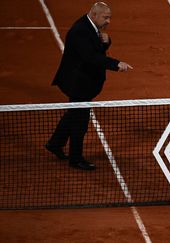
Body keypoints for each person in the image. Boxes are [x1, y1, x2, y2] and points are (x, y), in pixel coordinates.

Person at [45, 2, 133, 170]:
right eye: (105, 17)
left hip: (83, 82)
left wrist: (107, 42)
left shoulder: (90, 26)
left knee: (74, 113)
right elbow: (90, 57)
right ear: (94, 15)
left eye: (110, 18)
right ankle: (75, 159)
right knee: (80, 122)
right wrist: (116, 64)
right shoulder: (80, 31)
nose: (108, 21)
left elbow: (96, 48)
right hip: (77, 83)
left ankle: (55, 143)